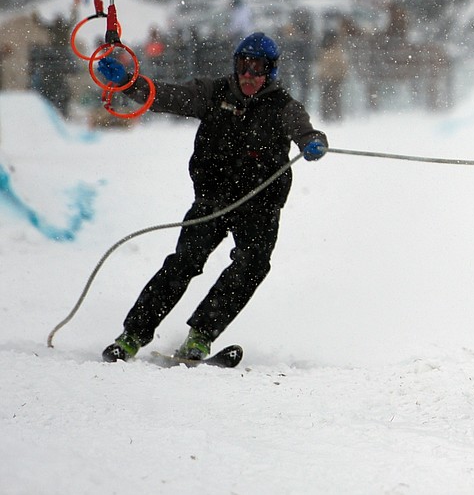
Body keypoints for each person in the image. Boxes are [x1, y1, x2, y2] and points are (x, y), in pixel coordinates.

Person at [96, 32, 329, 362]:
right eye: (243, 66)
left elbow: (305, 130)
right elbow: (165, 96)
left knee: (253, 265)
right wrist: (129, 84)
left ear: (271, 71)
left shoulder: (283, 108)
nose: (249, 75)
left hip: (259, 208)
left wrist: (313, 142)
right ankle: (132, 335)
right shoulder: (213, 93)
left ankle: (201, 336)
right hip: (213, 201)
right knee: (183, 264)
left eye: (258, 68)